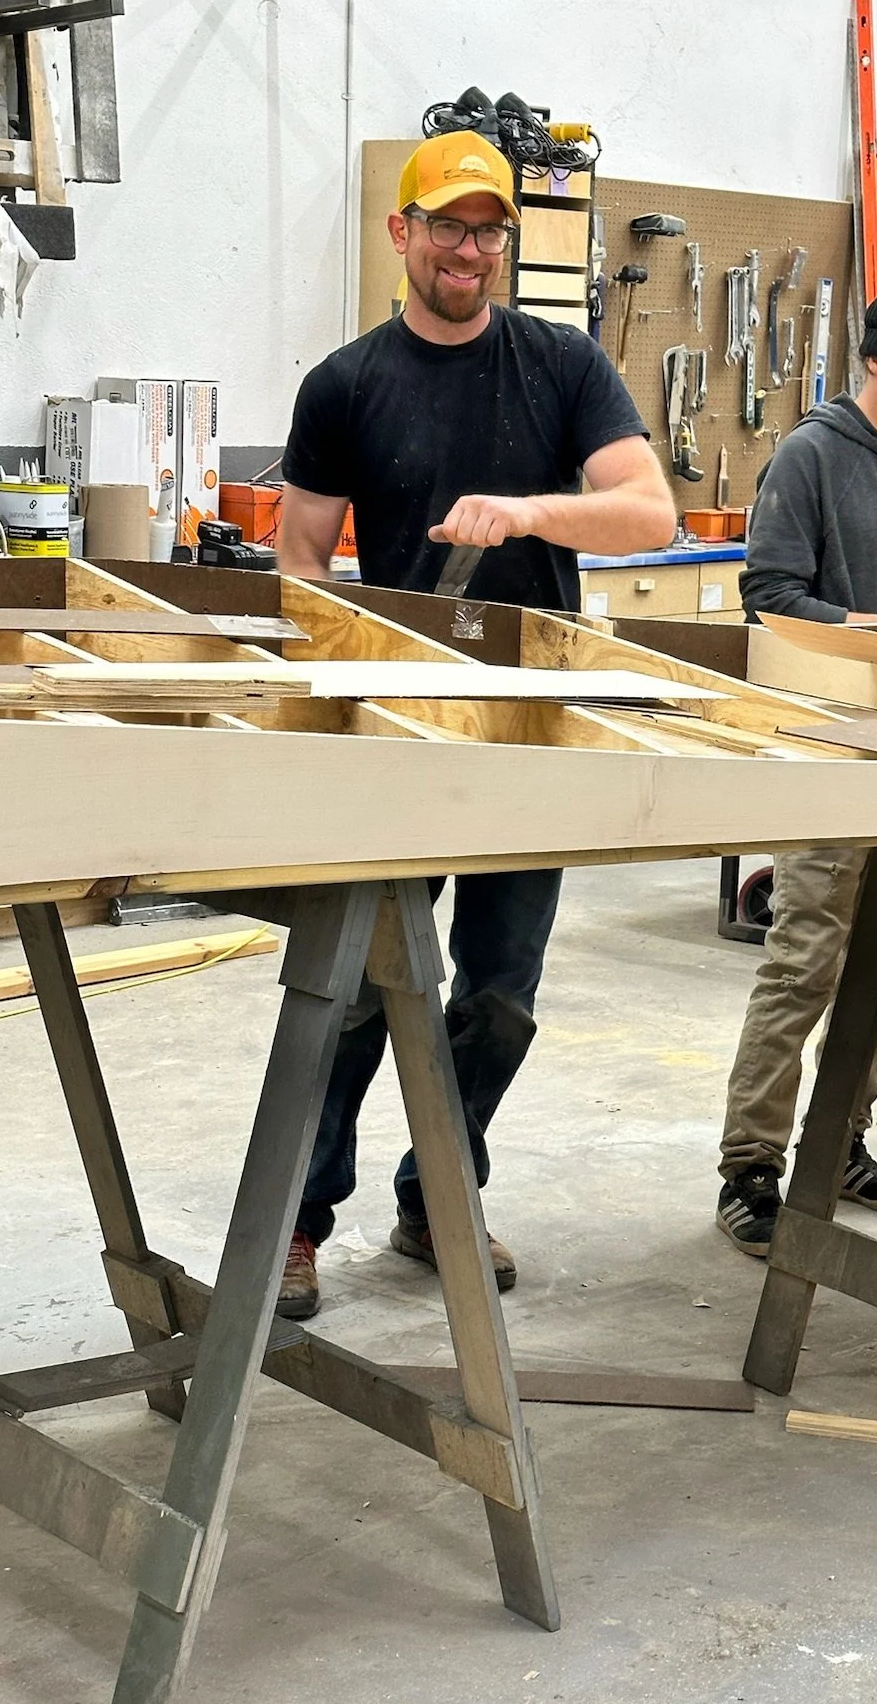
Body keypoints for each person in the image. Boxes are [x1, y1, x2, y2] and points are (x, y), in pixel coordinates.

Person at [274, 131, 676, 1316]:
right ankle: (297, 1218)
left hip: (526, 725)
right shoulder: (346, 383)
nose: (471, 248)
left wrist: (530, 512)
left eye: (490, 229)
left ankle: (439, 1193)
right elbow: (299, 556)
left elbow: (648, 511)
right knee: (351, 990)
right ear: (401, 233)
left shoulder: (561, 366)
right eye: (448, 224)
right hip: (393, 722)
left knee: (499, 995)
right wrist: (332, 670)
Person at [714, 273, 877, 1256]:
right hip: (830, 749)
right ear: (874, 363)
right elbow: (769, 600)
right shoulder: (810, 456)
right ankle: (751, 1167)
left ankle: (843, 1139)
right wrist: (866, 631)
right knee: (806, 961)